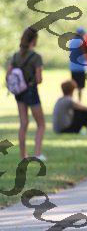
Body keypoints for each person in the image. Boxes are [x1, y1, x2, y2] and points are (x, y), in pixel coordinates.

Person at [6, 27, 46, 160]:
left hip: (19, 93)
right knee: (41, 124)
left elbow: (8, 75)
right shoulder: (36, 57)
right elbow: (39, 79)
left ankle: (23, 155)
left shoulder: (15, 56)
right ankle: (38, 154)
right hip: (31, 91)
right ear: (34, 40)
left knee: (23, 123)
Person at [68, 26, 87, 101]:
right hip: (80, 68)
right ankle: (79, 102)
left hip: (72, 67)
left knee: (73, 87)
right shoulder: (81, 42)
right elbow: (85, 54)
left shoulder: (71, 41)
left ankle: (71, 101)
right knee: (80, 88)